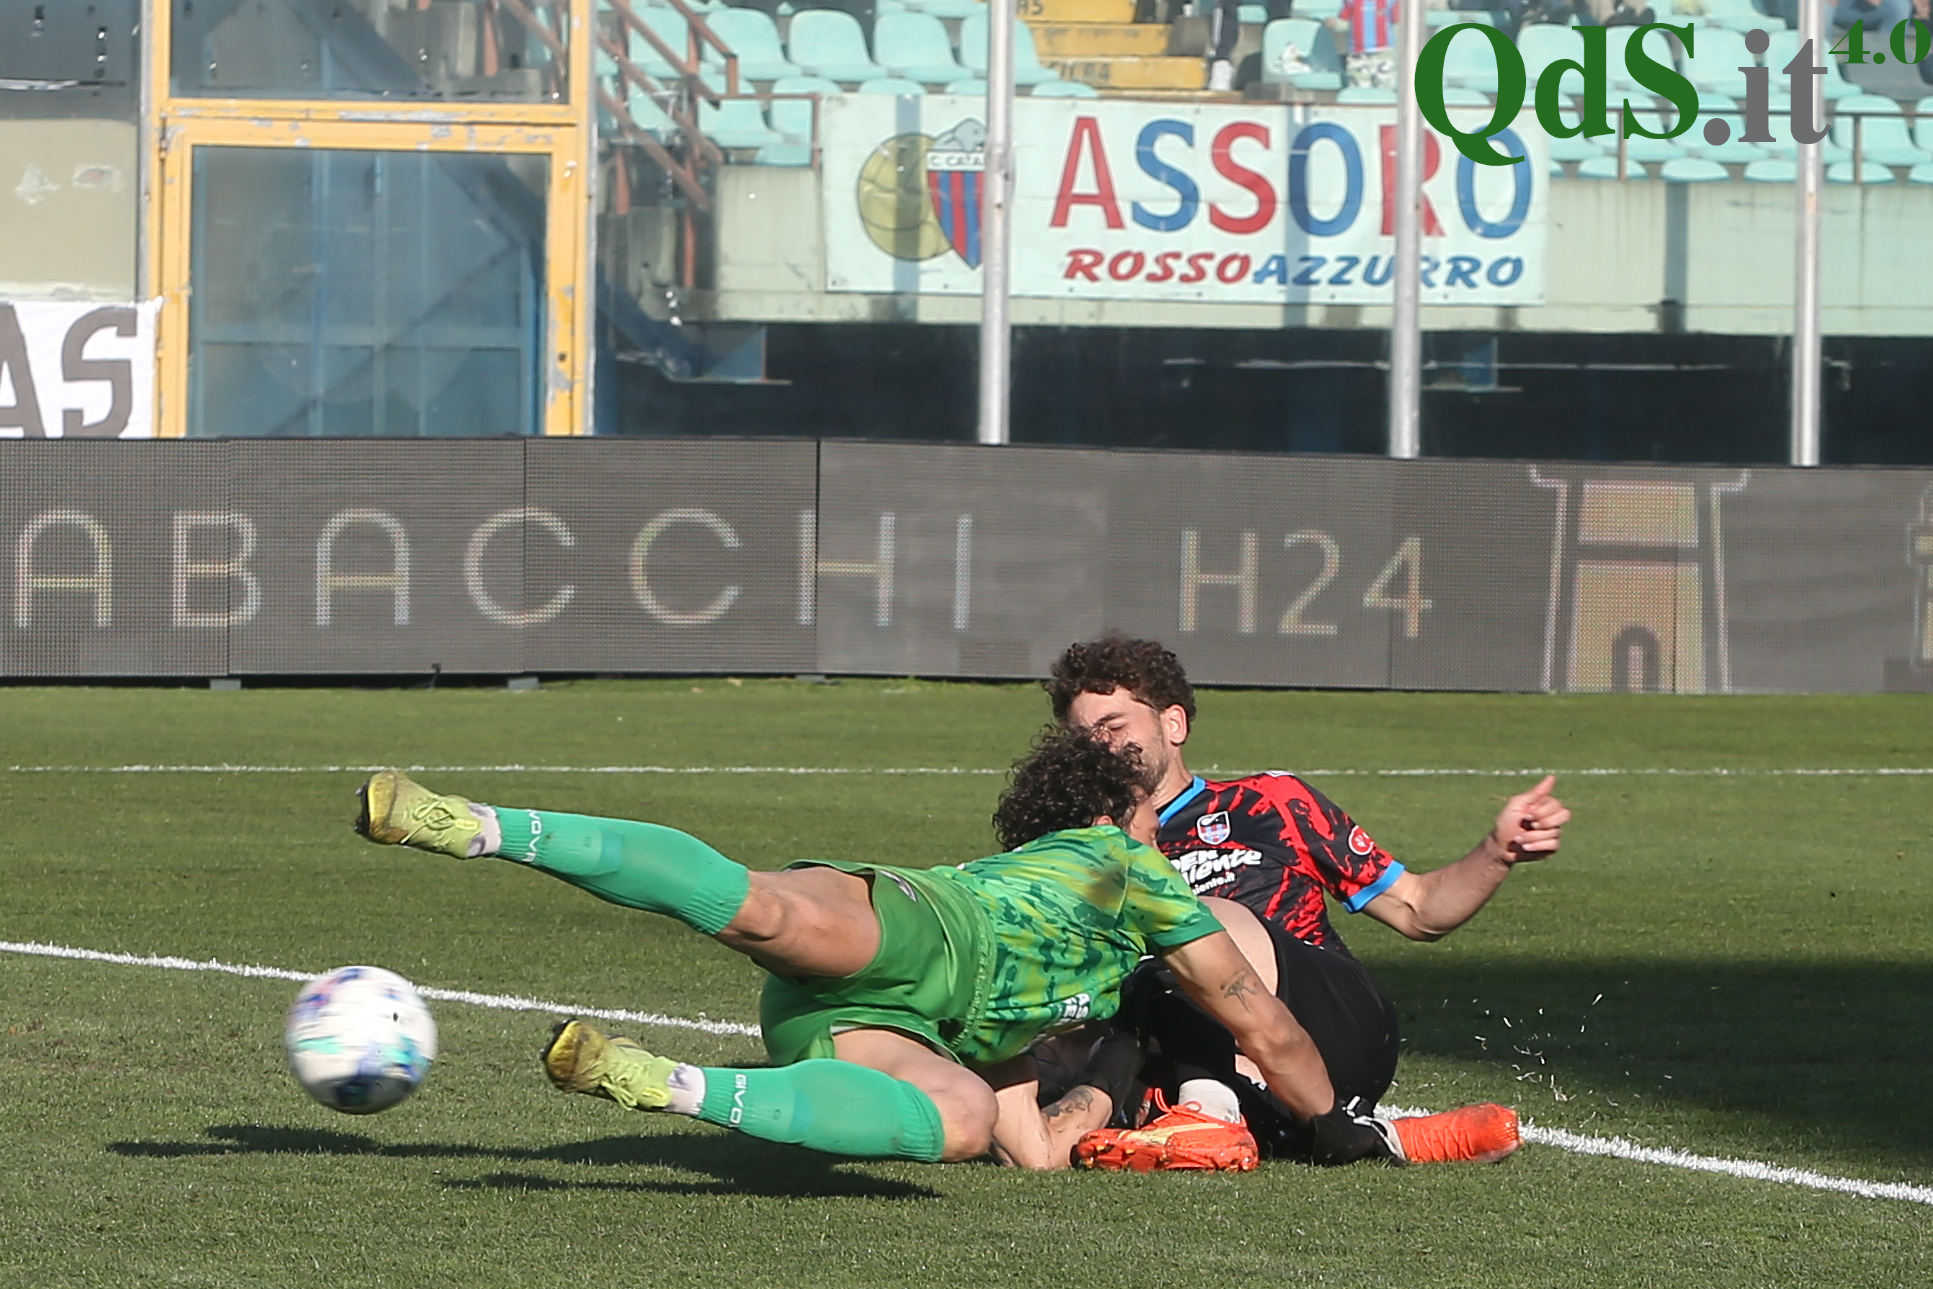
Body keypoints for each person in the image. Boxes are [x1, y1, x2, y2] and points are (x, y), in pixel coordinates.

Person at [351, 729, 1402, 1171]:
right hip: (923, 928)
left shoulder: (1087, 960)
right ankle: (468, 821)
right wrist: (1335, 1122)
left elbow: (1019, 1135)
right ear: (1117, 811)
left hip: (883, 1019)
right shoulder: (1118, 864)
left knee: (948, 1121)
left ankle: (667, 1081)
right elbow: (1261, 1019)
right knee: (760, 907)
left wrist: (1078, 1135)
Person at [1043, 635, 1567, 1167]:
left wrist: (1497, 852)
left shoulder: (1271, 803)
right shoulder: (1080, 851)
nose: (1099, 748)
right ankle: (1368, 1135)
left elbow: (1419, 909)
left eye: (1113, 727)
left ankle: (1208, 1109)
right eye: (1083, 739)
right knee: (1120, 1035)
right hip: (1202, 1045)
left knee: (1192, 930)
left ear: (1172, 725)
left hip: (1328, 1018)